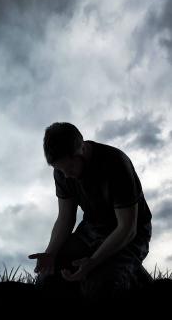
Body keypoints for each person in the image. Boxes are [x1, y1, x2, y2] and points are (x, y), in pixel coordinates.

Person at [28, 122, 152, 302]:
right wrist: (50, 253)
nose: (66, 175)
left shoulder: (116, 163)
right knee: (46, 280)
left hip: (130, 235)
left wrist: (92, 262)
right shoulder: (62, 173)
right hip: (91, 231)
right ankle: (118, 268)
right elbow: (65, 218)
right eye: (59, 170)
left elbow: (127, 228)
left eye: (69, 168)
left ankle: (135, 275)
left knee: (98, 287)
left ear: (82, 150)